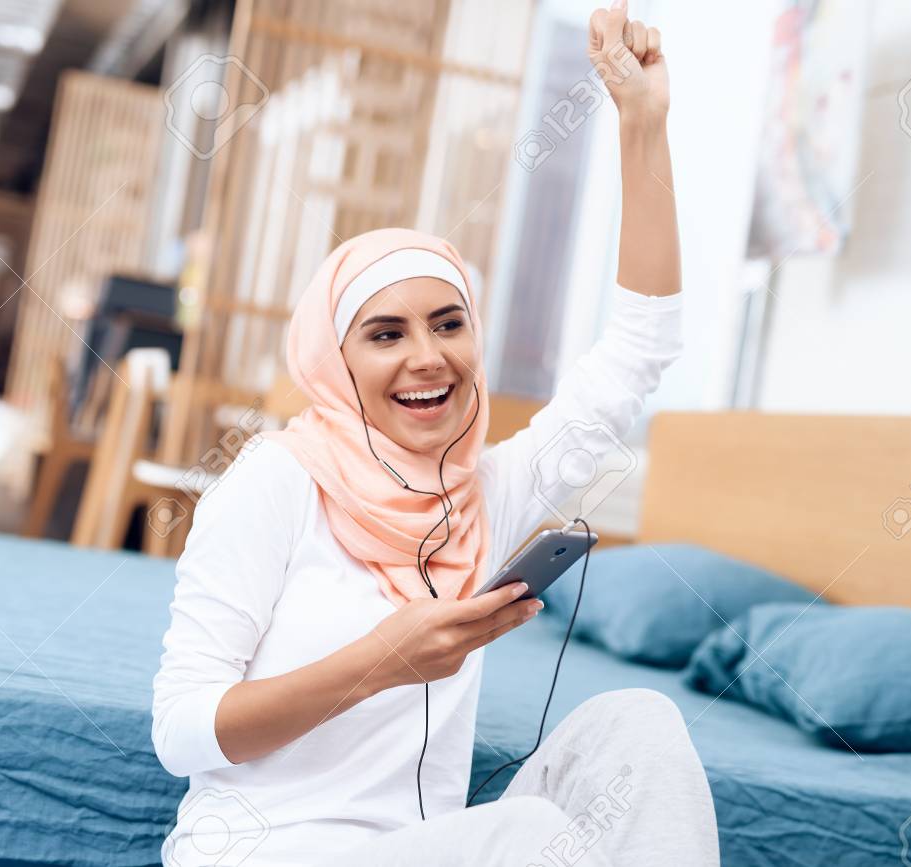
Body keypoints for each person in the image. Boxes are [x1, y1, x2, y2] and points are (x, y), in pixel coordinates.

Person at [152, 4, 719, 865]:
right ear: (336, 361)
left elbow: (642, 347)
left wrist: (643, 121)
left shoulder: (486, 492)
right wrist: (380, 659)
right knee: (532, 836)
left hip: (418, 847)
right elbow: (181, 732)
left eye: (449, 323)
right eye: (387, 334)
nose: (428, 358)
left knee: (639, 723)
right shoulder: (275, 483)